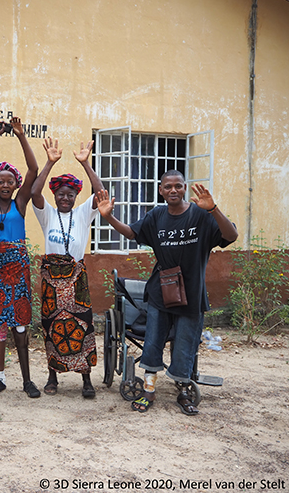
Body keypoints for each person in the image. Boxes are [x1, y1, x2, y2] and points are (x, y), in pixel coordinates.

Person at [96, 170, 238, 415]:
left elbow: (231, 235)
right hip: (162, 292)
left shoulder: (201, 215)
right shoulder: (156, 216)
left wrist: (213, 209)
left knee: (185, 344)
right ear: (160, 190)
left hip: (192, 293)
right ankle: (148, 390)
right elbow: (132, 233)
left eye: (178, 186)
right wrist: (110, 218)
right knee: (152, 342)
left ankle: (183, 391)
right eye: (168, 186)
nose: (173, 190)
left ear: (184, 188)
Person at [31, 137, 104, 398]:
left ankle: (86, 379)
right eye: (60, 193)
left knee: (82, 326)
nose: (65, 197)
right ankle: (53, 377)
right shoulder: (47, 213)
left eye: (70, 194)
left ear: (76, 196)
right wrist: (49, 163)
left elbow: (100, 194)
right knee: (52, 327)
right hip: (51, 280)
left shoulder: (83, 213)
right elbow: (34, 193)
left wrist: (86, 164)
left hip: (76, 281)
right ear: (55, 195)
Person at [0, 117, 40, 398]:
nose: (5, 185)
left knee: (20, 323)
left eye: (9, 181)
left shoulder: (20, 203)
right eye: (0, 181)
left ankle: (27, 380)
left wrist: (20, 135)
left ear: (15, 184)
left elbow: (34, 168)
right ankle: (0, 377)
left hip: (18, 267)